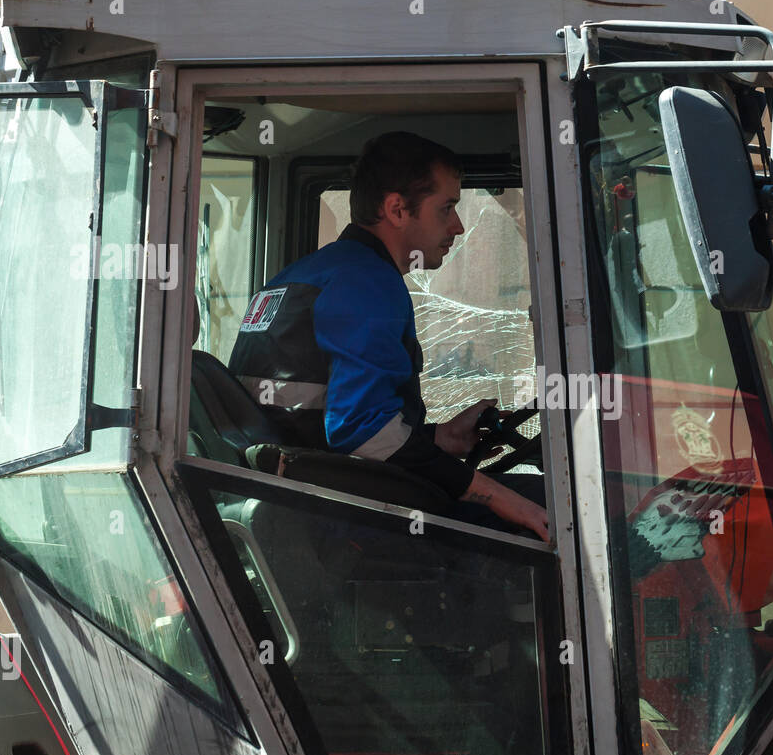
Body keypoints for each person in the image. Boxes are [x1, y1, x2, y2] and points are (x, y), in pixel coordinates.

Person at [229, 131, 548, 542]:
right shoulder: (367, 282)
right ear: (397, 209)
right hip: (342, 522)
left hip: (303, 504)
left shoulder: (304, 274)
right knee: (553, 506)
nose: (458, 225)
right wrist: (494, 497)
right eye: (447, 208)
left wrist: (440, 438)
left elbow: (317, 426)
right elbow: (359, 431)